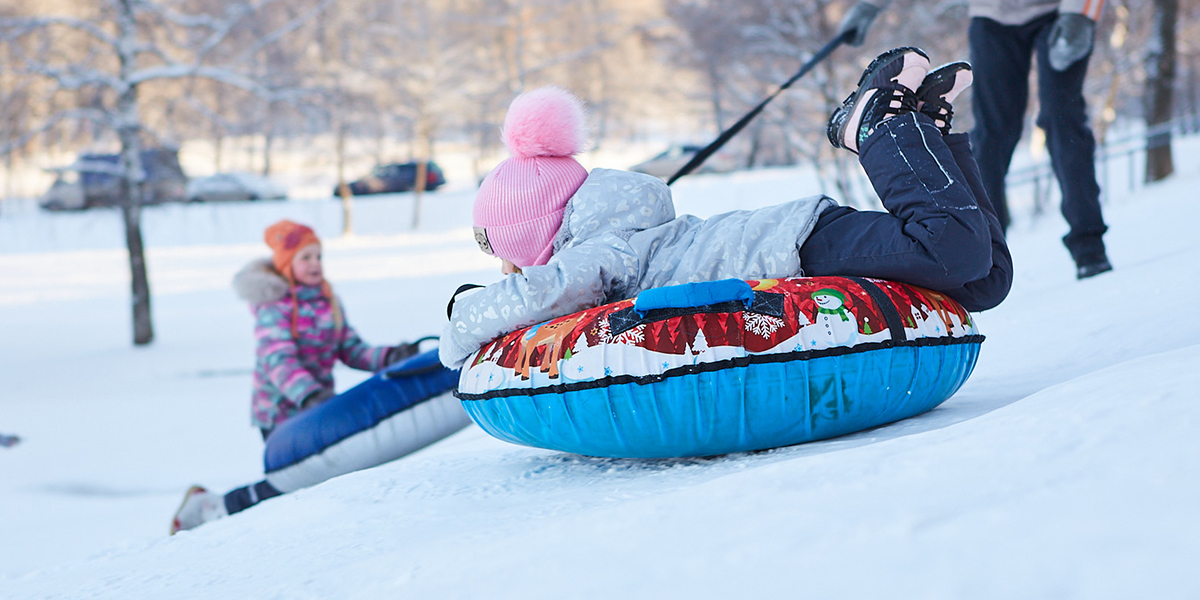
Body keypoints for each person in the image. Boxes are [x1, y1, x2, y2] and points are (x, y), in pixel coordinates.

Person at [440, 48, 1011, 370]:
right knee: (985, 279)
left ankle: (877, 126)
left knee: (952, 249)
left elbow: (545, 292)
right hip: (804, 237)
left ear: (540, 237)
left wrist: (458, 324)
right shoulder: (624, 234)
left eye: (516, 260)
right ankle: (925, 135)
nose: (519, 272)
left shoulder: (604, 251)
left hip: (799, 247)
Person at [170, 219, 421, 535]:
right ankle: (211, 507)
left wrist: (389, 357)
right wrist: (309, 394)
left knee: (311, 477)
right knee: (292, 479)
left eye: (319, 256)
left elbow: (350, 348)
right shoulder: (274, 306)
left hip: (316, 405)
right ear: (287, 264)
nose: (315, 263)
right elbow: (278, 359)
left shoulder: (328, 300)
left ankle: (242, 513)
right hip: (279, 410)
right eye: (306, 257)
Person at [839, 0, 1112, 279]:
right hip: (992, 16)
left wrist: (1080, 15)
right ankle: (987, 253)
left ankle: (1089, 245)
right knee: (993, 134)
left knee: (1062, 119)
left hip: (1060, 14)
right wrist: (869, 6)